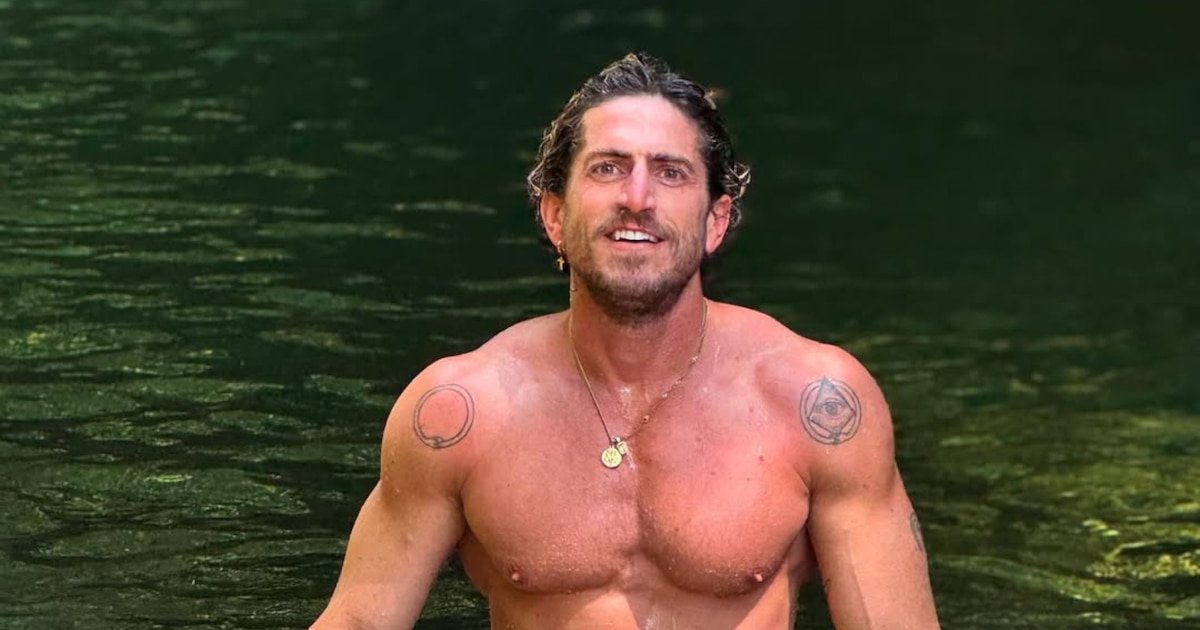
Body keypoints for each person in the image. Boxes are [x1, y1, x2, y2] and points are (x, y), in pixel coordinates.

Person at [312, 52, 939, 629]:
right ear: (554, 215)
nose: (637, 198)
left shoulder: (815, 404)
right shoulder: (461, 413)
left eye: (670, 173)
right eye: (608, 168)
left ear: (716, 221)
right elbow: (359, 621)